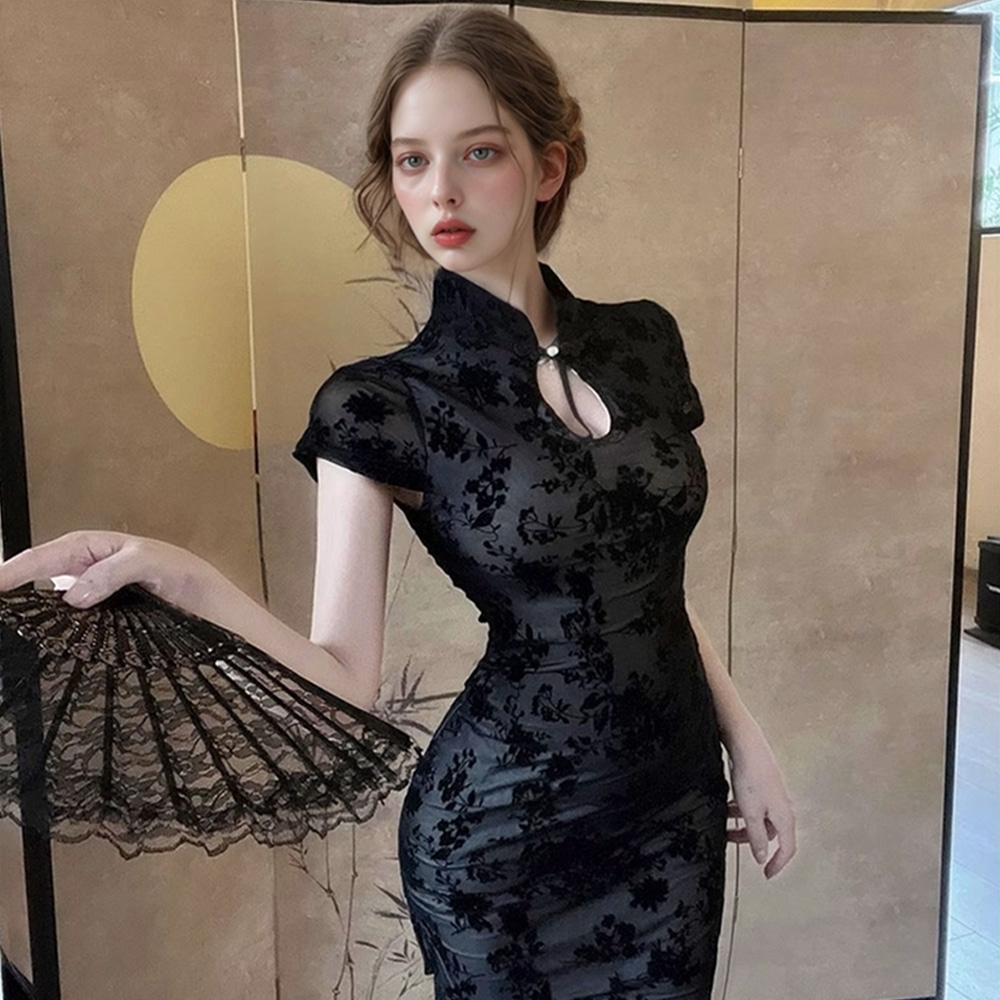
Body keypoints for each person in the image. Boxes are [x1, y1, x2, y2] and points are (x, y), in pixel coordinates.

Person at [0, 7, 795, 997]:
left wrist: (746, 742)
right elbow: (344, 676)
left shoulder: (642, 340)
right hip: (499, 843)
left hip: (675, 816)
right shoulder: (380, 403)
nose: (441, 190)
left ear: (548, 166)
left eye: (478, 152)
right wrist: (187, 578)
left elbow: (645, 581)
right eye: (412, 160)